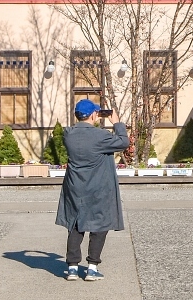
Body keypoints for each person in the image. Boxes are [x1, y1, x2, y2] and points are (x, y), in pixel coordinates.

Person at [56, 99, 129, 281]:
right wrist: (117, 123)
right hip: (98, 186)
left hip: (75, 186)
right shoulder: (100, 136)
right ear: (94, 114)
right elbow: (123, 142)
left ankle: (72, 267)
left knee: (75, 223)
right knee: (99, 224)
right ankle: (92, 267)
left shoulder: (68, 134)